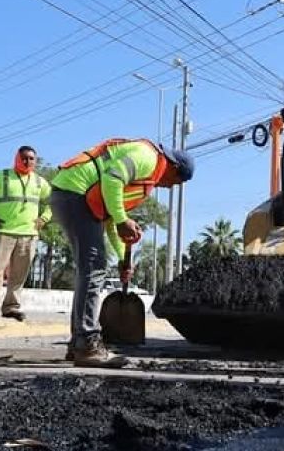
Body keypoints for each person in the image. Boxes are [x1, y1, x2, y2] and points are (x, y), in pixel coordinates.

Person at [50, 138, 194, 367]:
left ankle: (78, 342)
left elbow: (108, 218)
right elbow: (111, 178)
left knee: (90, 269)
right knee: (93, 268)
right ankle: (86, 343)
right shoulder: (147, 157)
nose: (169, 187)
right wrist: (122, 218)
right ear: (174, 168)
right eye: (175, 183)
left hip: (74, 196)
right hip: (74, 193)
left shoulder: (145, 176)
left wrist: (121, 258)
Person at [0, 146, 52, 321]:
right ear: (16, 158)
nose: (27, 161)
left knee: (19, 274)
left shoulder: (39, 182)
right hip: (4, 232)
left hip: (29, 235)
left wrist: (44, 218)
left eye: (31, 159)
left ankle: (11, 307)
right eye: (24, 158)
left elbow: (53, 201)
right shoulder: (2, 176)